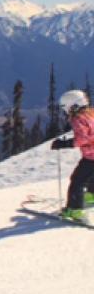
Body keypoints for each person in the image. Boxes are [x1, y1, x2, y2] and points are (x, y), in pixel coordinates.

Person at [51, 90, 94, 222]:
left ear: (73, 105)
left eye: (66, 108)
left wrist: (64, 143)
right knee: (91, 175)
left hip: (91, 156)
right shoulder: (90, 114)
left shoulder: (78, 118)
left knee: (77, 180)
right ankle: (91, 196)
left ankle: (75, 210)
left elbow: (82, 138)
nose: (66, 111)